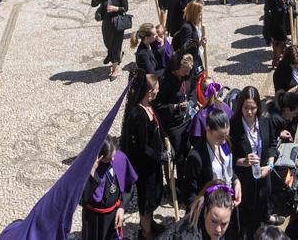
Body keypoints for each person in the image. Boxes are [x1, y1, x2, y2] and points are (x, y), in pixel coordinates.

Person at [120, 72, 166, 240]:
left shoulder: (149, 107)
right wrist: (161, 156)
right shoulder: (138, 116)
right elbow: (142, 148)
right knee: (146, 202)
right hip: (145, 167)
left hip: (152, 164)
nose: (158, 91)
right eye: (156, 88)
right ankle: (146, 233)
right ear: (149, 91)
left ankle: (151, 223)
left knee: (153, 197)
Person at [230, 86, 281, 234]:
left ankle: (265, 217)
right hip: (245, 177)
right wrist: (243, 161)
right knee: (247, 208)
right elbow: (227, 157)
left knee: (264, 197)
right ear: (240, 106)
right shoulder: (234, 126)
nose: (249, 112)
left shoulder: (265, 120)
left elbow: (272, 144)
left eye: (253, 108)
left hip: (264, 172)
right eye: (246, 107)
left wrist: (270, 165)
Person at [182, 110, 241, 211]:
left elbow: (227, 165)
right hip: (209, 211)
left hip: (228, 202)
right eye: (220, 137)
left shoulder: (224, 143)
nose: (224, 140)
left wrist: (236, 181)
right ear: (208, 129)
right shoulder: (196, 157)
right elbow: (189, 196)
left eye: (226, 135)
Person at [80, 137, 136, 240]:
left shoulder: (119, 158)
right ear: (100, 157)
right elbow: (82, 199)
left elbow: (128, 186)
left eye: (114, 155)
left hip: (113, 215)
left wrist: (122, 207)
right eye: (109, 158)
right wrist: (92, 172)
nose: (113, 160)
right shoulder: (87, 165)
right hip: (93, 219)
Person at [164, 180, 235, 240]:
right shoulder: (190, 236)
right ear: (205, 212)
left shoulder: (210, 228)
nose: (218, 230)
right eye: (214, 221)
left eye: (224, 224)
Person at [93, 0, 129, 81]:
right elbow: (93, 4)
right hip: (107, 23)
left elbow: (126, 8)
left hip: (117, 23)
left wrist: (116, 8)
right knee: (108, 43)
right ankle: (117, 55)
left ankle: (115, 69)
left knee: (116, 46)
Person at [173, 0, 206, 78]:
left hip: (196, 58)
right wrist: (199, 43)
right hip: (191, 62)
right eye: (200, 12)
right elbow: (187, 47)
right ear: (195, 13)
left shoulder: (194, 25)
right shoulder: (187, 28)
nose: (201, 15)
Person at [264, 0, 290, 69]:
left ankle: (275, 59)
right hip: (276, 23)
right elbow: (276, 11)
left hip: (280, 22)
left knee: (277, 41)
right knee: (281, 41)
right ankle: (276, 59)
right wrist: (285, 7)